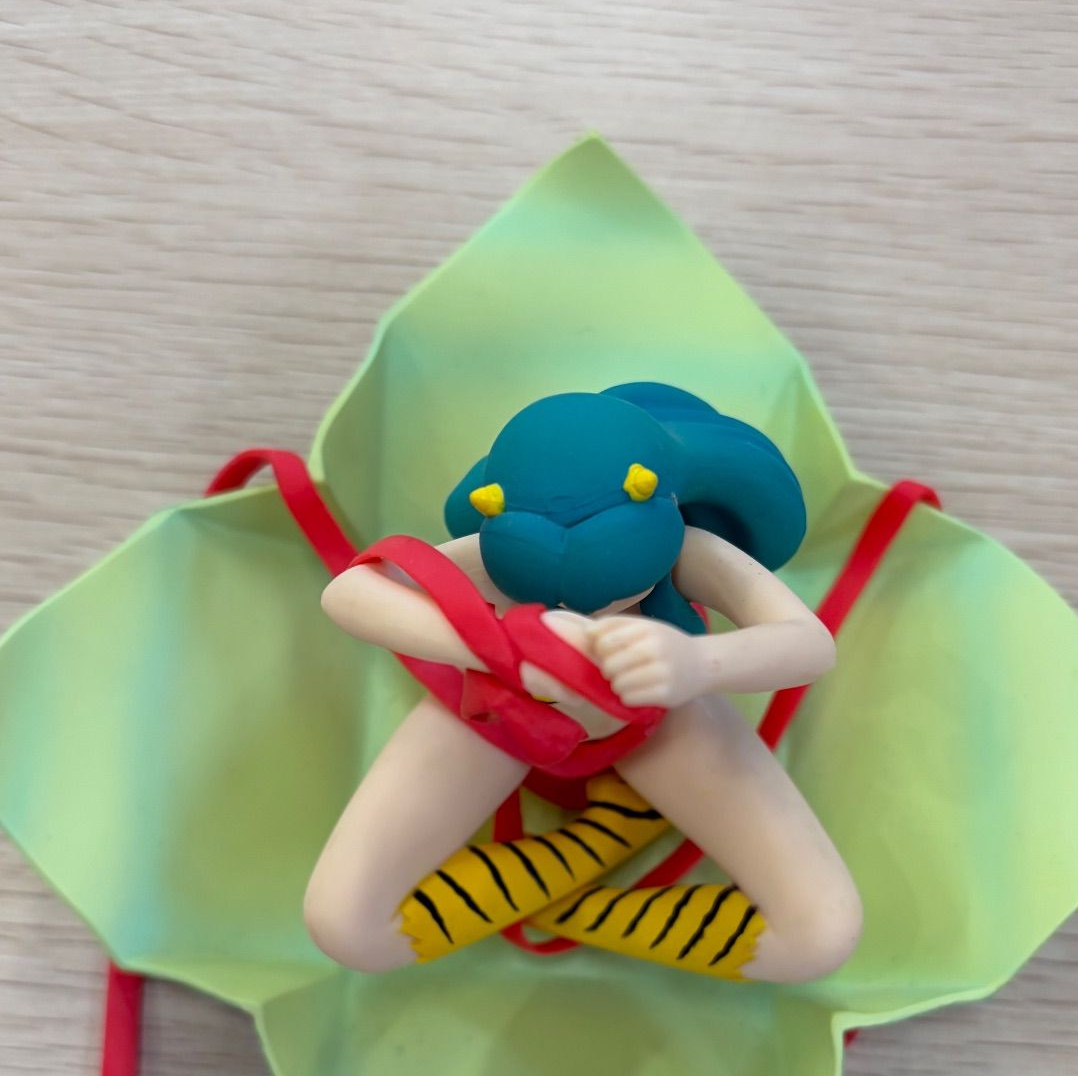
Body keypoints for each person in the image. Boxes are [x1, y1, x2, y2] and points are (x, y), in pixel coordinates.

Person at [303, 384, 862, 984]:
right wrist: (503, 647)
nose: (590, 611)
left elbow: (809, 644)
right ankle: (591, 848)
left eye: (623, 592)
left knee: (819, 935)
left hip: (661, 723)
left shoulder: (685, 547)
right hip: (495, 718)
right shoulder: (498, 535)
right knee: (346, 927)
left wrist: (696, 662)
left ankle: (578, 906)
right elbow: (350, 591)